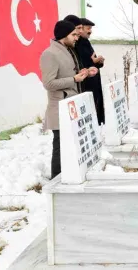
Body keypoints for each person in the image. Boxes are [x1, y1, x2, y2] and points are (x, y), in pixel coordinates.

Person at [40, 20, 94, 179]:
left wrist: (84, 73)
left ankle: (68, 175)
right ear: (64, 35)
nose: (77, 37)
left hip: (71, 105)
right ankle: (56, 178)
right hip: (59, 107)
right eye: (74, 34)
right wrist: (74, 79)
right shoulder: (49, 54)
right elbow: (48, 83)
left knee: (69, 144)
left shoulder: (68, 50)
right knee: (60, 145)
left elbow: (69, 75)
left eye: (77, 34)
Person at [74, 18, 106, 125]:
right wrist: (93, 62)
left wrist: (98, 62)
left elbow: (93, 61)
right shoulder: (78, 44)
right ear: (80, 29)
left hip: (94, 82)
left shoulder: (86, 42)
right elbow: (82, 65)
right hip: (87, 84)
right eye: (88, 28)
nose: (90, 31)